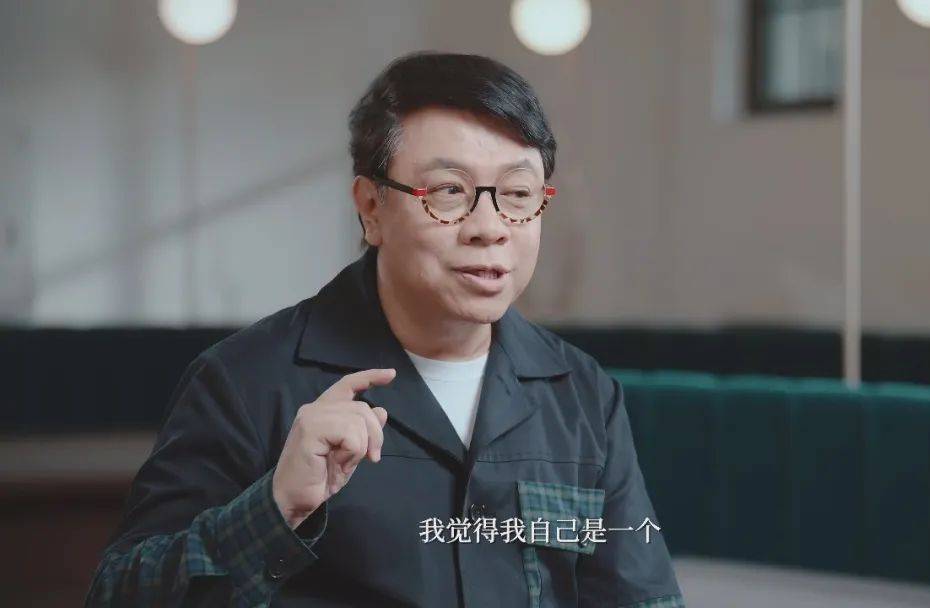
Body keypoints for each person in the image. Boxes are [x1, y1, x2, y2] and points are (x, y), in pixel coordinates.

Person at [85, 51, 684, 608]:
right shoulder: (247, 382)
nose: (490, 226)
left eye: (518, 193)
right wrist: (274, 508)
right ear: (371, 208)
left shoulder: (581, 395)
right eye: (449, 192)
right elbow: (119, 593)